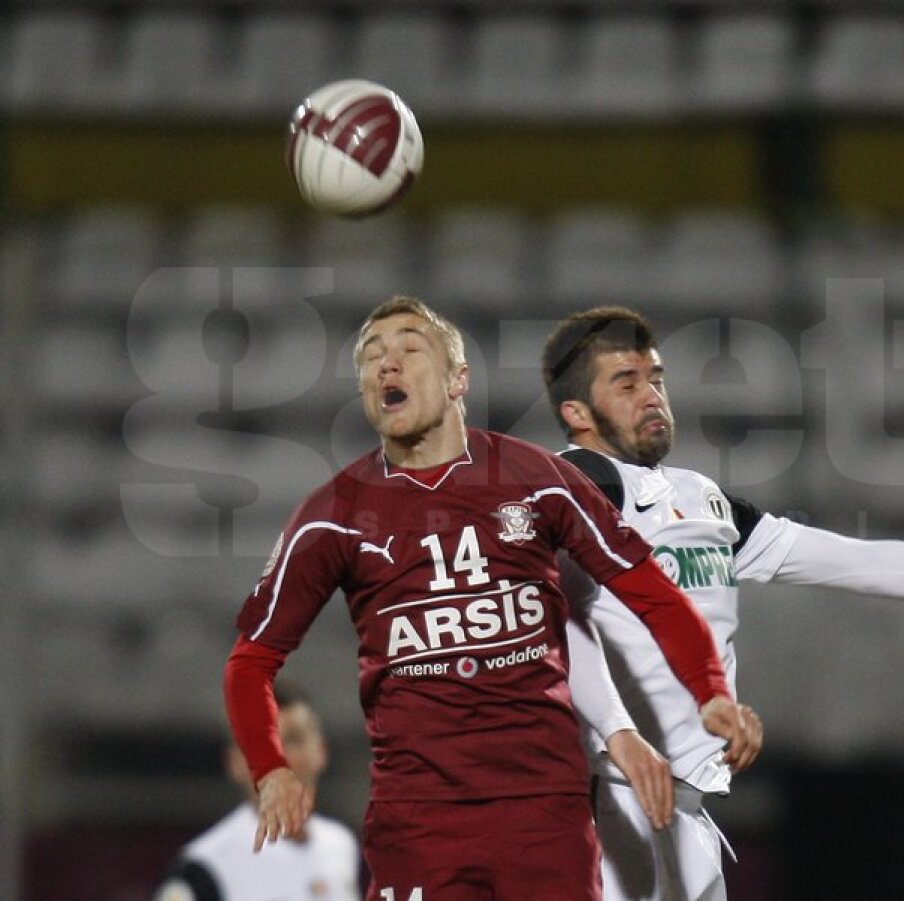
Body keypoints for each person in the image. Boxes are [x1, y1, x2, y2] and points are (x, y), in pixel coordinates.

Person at [540, 306, 904, 901]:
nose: (652, 397)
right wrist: (616, 732)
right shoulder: (575, 490)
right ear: (576, 414)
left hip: (682, 809)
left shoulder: (701, 500)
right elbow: (549, 623)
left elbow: (853, 560)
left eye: (657, 379)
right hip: (603, 801)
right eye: (627, 383)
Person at [223, 296, 754, 901]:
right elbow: (251, 662)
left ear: (458, 380)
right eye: (372, 359)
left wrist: (709, 689)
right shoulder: (333, 517)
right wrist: (270, 771)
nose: (386, 367)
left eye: (408, 350)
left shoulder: (537, 479)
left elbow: (652, 593)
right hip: (418, 819)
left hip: (544, 814)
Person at [153, 679, 362, 901]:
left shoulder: (339, 845)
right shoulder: (206, 866)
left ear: (320, 752)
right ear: (235, 762)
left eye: (293, 740)